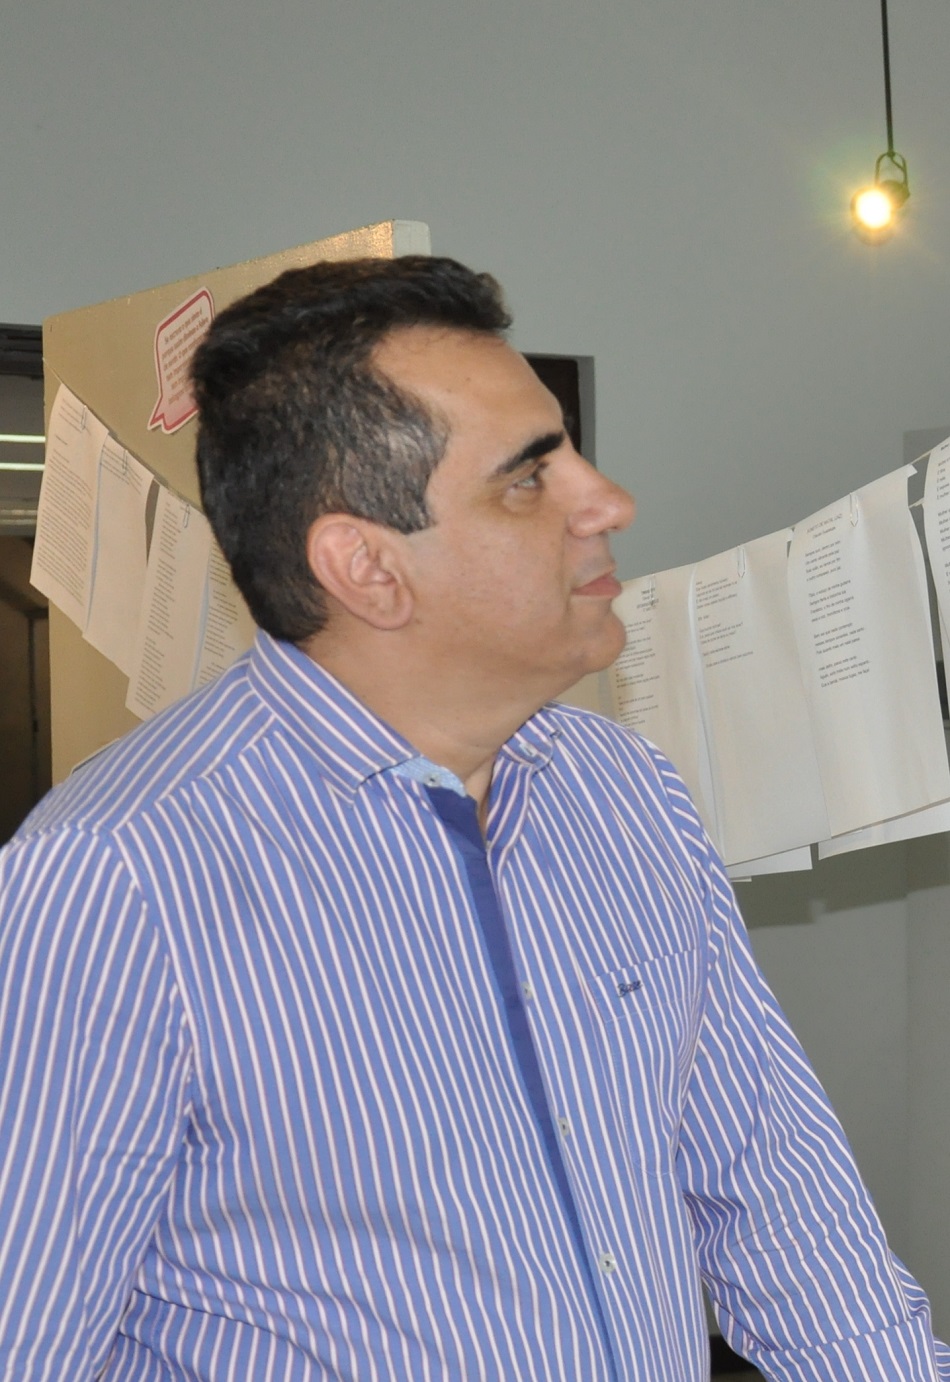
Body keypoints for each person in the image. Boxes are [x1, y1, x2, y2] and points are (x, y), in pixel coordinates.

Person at [0, 255, 946, 1382]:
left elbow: (779, 1193)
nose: (607, 501)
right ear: (366, 567)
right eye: (527, 478)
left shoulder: (623, 789)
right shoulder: (114, 872)